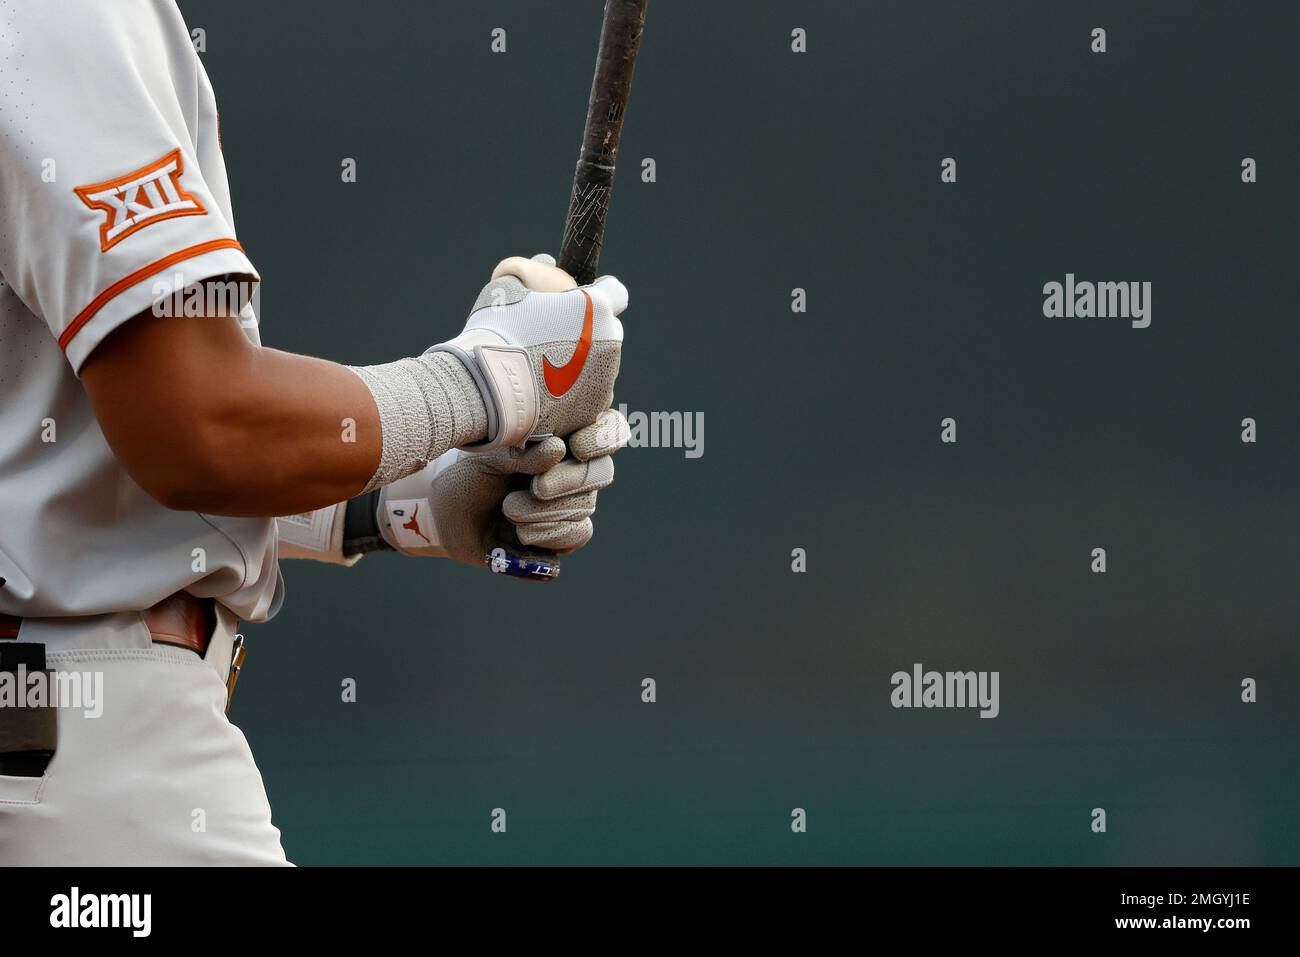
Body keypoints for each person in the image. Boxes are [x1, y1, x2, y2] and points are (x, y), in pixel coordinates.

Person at [0, 0, 629, 865]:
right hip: (84, 773)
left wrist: (405, 504)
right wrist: (494, 380)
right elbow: (196, 428)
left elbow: (68, 455)